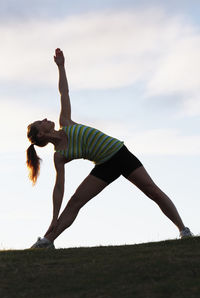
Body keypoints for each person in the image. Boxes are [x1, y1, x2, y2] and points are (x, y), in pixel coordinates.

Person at [27, 48, 193, 249]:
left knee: (153, 191)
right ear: (41, 135)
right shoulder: (59, 156)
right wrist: (54, 217)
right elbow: (59, 188)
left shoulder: (65, 122)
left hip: (119, 154)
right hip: (104, 165)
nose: (45, 119)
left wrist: (61, 67)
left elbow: (64, 92)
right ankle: (47, 241)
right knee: (75, 202)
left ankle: (184, 230)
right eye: (41, 122)